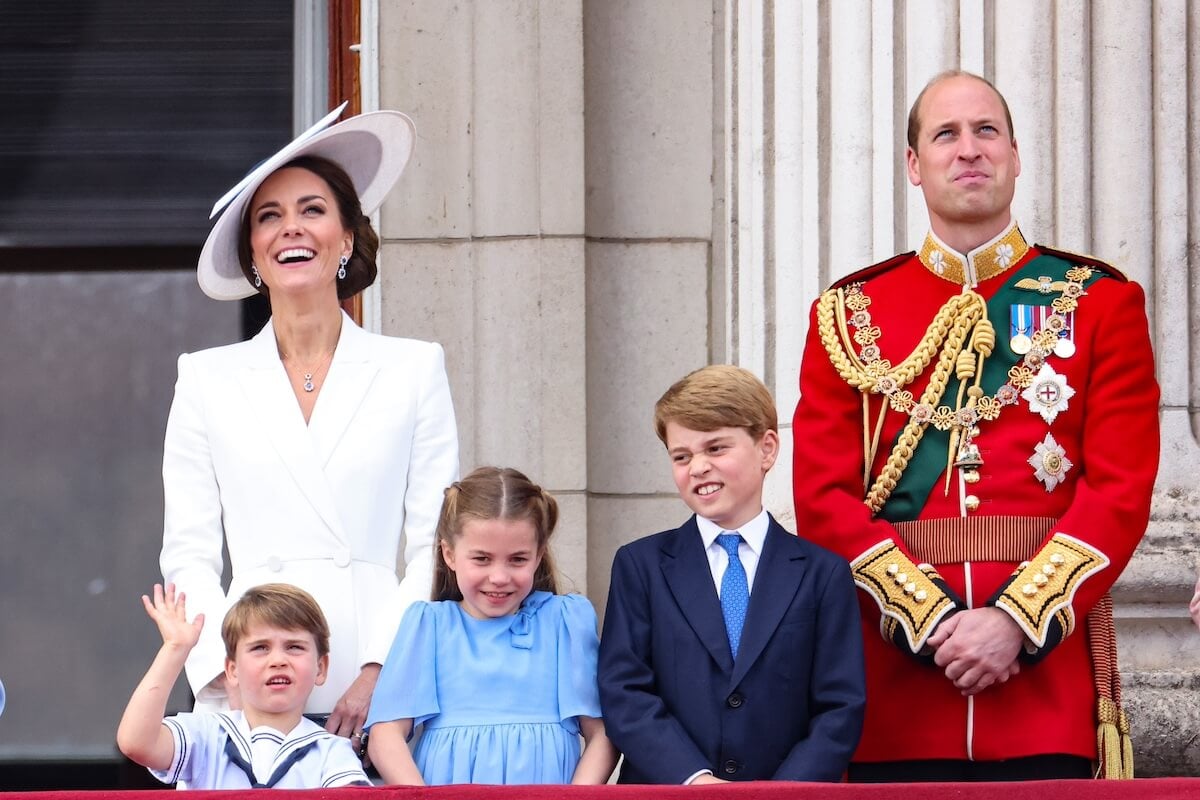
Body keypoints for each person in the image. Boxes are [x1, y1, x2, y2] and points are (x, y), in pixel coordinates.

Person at [792, 71, 1160, 782]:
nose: (970, 150)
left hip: (1041, 689)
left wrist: (1015, 623)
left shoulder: (1100, 304)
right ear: (913, 165)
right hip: (895, 701)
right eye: (946, 134)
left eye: (987, 131)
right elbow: (823, 500)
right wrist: (929, 623)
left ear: (1016, 155)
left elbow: (1119, 492)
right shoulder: (848, 314)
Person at [159, 104, 459, 744]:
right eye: (270, 216)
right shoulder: (205, 378)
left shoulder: (413, 368)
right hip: (245, 686)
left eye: (312, 210)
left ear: (347, 238)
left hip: (377, 689)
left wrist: (384, 669)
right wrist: (223, 676)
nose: (291, 228)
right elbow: (188, 554)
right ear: (253, 256)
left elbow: (434, 545)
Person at [599, 365, 865, 784]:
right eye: (681, 456)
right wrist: (695, 780)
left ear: (767, 449)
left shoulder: (822, 573)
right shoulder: (640, 566)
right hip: (672, 792)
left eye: (716, 448)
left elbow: (840, 706)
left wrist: (778, 795)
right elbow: (625, 692)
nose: (698, 467)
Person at [365, 466, 617, 785]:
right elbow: (386, 735)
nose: (499, 577)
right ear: (450, 554)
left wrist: (575, 799)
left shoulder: (565, 622)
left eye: (517, 559)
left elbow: (602, 734)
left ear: (539, 555)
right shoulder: (428, 626)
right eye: (482, 559)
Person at [117, 583, 369, 789]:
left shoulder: (331, 751)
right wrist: (175, 649)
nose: (278, 660)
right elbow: (136, 743)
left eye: (294, 647)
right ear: (232, 670)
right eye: (260, 648)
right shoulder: (206, 735)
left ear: (321, 667)